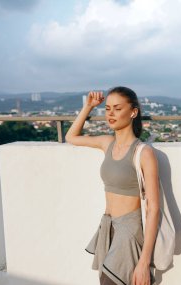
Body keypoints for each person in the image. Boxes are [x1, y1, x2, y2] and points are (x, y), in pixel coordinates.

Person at [65, 86, 159, 285]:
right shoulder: (107, 143)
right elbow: (70, 137)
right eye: (107, 109)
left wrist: (144, 261)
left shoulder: (143, 152)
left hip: (128, 230)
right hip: (108, 226)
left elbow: (153, 209)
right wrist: (88, 106)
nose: (111, 114)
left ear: (133, 112)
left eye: (117, 108)